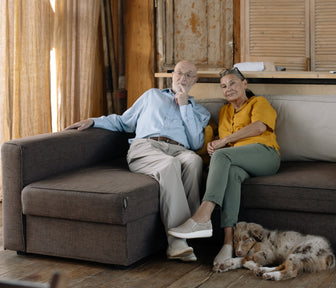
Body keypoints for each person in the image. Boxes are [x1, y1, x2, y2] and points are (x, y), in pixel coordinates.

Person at [66, 60, 211, 262]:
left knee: (193, 161)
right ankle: (176, 242)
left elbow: (196, 143)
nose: (183, 78)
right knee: (170, 165)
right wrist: (94, 121)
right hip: (146, 147)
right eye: (179, 73)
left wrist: (185, 104)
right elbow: (124, 122)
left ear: (195, 80)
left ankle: (191, 227)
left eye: (188, 75)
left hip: (179, 149)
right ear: (172, 75)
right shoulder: (152, 96)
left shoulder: (200, 111)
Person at [167, 67, 281, 270]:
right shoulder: (224, 112)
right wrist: (213, 144)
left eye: (233, 83)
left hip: (265, 155)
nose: (228, 89)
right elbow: (224, 145)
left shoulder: (258, 102)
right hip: (239, 162)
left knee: (222, 154)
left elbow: (259, 127)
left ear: (244, 84)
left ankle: (202, 216)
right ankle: (228, 243)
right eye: (223, 86)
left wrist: (223, 142)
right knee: (232, 174)